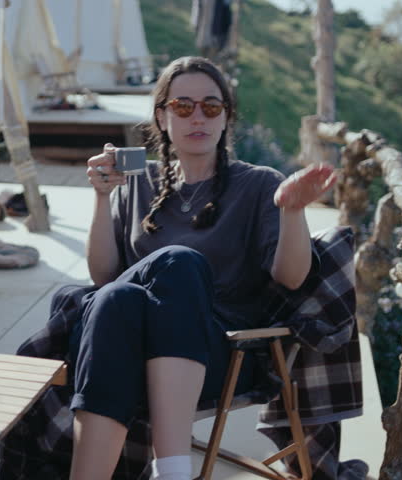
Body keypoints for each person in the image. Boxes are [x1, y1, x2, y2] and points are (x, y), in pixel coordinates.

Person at [68, 56, 337, 479]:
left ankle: (172, 471)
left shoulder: (259, 184)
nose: (198, 117)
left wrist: (291, 212)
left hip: (222, 353)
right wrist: (102, 199)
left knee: (178, 263)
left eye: (212, 107)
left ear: (227, 117)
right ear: (161, 116)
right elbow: (103, 277)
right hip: (123, 345)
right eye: (183, 106)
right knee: (117, 297)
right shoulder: (138, 180)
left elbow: (293, 278)